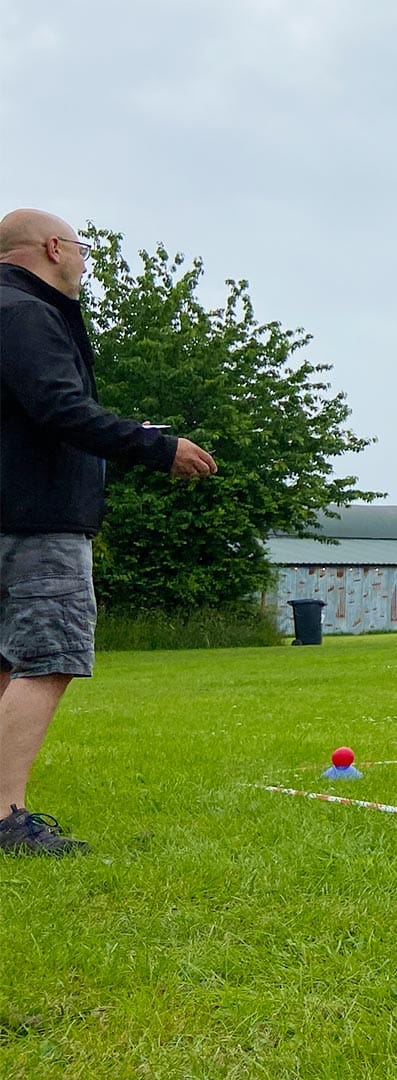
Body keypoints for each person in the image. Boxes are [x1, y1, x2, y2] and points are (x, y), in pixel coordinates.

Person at [0, 209, 217, 855]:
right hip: (35, 520)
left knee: (6, 664)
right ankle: (7, 819)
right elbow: (60, 408)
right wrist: (156, 448)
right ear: (53, 246)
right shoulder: (26, 312)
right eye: (83, 250)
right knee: (47, 659)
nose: (86, 263)